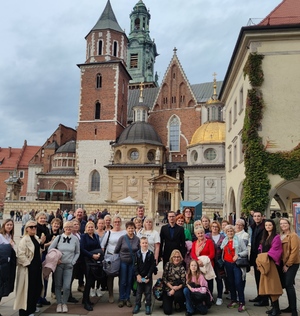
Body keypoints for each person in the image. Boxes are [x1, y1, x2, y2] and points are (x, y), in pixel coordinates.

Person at [14, 220, 45, 316]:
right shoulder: (24, 240)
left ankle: (32, 308)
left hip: (37, 267)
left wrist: (42, 243)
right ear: (27, 229)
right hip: (28, 269)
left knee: (37, 288)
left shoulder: (35, 237)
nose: (34, 228)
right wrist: (29, 265)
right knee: (27, 290)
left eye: (35, 227)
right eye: (31, 227)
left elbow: (38, 250)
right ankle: (25, 312)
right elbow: (20, 255)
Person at [49, 221, 80, 313]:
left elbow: (77, 252)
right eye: (66, 227)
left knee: (66, 286)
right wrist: (56, 259)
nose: (68, 228)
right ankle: (59, 303)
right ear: (64, 228)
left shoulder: (75, 239)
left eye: (70, 227)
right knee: (58, 285)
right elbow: (50, 249)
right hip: (59, 265)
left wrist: (73, 261)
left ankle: (64, 303)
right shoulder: (58, 238)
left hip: (69, 266)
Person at [257, 219, 283, 316]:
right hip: (264, 264)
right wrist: (260, 258)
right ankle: (273, 307)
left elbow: (275, 251)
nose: (268, 227)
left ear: (273, 226)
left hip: (271, 265)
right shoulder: (265, 236)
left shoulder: (276, 237)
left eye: (270, 225)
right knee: (267, 287)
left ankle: (277, 309)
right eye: (266, 225)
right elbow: (260, 248)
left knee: (272, 287)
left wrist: (263, 257)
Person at [220, 224, 248, 312]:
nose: (230, 232)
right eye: (228, 231)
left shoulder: (239, 240)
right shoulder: (224, 241)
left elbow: (246, 251)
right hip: (227, 264)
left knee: (238, 282)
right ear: (226, 232)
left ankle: (242, 302)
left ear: (234, 231)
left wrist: (238, 255)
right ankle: (234, 300)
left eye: (231, 231)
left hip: (236, 264)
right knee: (230, 282)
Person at [101, 215, 126, 303]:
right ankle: (110, 294)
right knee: (110, 276)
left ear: (121, 223)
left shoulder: (124, 232)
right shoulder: (108, 233)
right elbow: (103, 246)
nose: (117, 223)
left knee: (121, 277)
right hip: (110, 256)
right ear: (112, 223)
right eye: (115, 222)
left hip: (121, 256)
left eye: (118, 222)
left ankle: (121, 295)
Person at [115, 221, 140, 308]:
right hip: (123, 262)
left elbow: (139, 251)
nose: (131, 230)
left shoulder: (137, 239)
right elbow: (116, 250)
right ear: (126, 229)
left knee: (129, 280)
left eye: (132, 228)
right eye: (129, 228)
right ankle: (121, 298)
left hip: (132, 263)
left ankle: (127, 298)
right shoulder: (122, 238)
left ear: (134, 229)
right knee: (123, 281)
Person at [279, 217, 300, 316]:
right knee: (287, 285)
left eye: (285, 223)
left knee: (289, 285)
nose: (283, 225)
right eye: (281, 224)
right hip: (283, 263)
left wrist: (288, 264)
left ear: (289, 224)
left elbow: (294, 252)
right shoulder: (281, 235)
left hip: (292, 263)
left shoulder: (293, 235)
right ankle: (290, 306)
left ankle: (294, 310)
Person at [80, 221, 102, 311]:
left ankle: (86, 299)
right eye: (88, 227)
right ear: (86, 228)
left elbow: (99, 247)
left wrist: (98, 255)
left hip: (94, 261)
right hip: (86, 261)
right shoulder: (83, 236)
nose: (90, 229)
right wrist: (92, 255)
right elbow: (82, 249)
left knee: (92, 280)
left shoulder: (96, 236)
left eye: (92, 227)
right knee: (88, 281)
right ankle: (85, 302)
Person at [249, 211, 268, 306]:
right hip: (254, 255)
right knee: (257, 277)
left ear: (262, 217)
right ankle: (259, 295)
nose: (256, 218)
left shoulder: (264, 227)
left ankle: (264, 299)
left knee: (262, 278)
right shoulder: (253, 227)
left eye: (258, 216)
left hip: (261, 256)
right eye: (255, 216)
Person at [132, 237, 156, 315]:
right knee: (139, 292)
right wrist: (137, 275)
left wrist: (148, 276)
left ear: (148, 244)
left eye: (146, 243)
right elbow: (135, 265)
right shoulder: (137, 254)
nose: (144, 244)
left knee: (148, 292)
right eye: (143, 243)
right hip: (139, 276)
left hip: (147, 276)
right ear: (140, 244)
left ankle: (148, 305)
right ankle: (137, 305)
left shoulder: (150, 254)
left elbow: (152, 266)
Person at [206, 220, 226, 306]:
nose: (214, 228)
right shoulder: (206, 236)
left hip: (219, 261)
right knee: (209, 279)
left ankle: (219, 297)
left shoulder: (222, 237)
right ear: (210, 227)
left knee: (219, 279)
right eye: (213, 226)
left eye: (216, 227)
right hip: (209, 262)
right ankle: (210, 296)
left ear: (219, 228)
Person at [190, 226, 215, 294]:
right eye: (198, 233)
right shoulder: (194, 243)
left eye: (201, 233)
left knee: (209, 281)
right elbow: (193, 254)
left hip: (207, 265)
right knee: (200, 281)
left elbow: (212, 254)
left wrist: (203, 262)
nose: (200, 235)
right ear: (196, 235)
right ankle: (201, 296)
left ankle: (209, 296)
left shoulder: (209, 242)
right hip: (198, 265)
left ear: (204, 233)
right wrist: (198, 261)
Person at [162, 249, 186, 315]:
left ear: (180, 258)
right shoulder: (168, 264)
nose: (176, 258)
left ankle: (178, 303)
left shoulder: (182, 267)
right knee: (167, 311)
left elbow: (183, 282)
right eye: (174, 257)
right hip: (168, 287)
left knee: (178, 295)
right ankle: (167, 302)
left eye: (178, 257)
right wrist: (171, 287)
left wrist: (174, 289)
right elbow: (164, 278)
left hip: (178, 288)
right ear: (172, 257)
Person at [36, 211, 52, 307]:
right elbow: (38, 244)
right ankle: (37, 298)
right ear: (37, 219)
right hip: (39, 255)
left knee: (45, 276)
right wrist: (49, 243)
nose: (43, 220)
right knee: (39, 278)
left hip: (46, 254)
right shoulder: (35, 228)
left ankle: (43, 297)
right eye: (41, 218)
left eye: (44, 218)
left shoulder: (46, 229)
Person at [0, 219, 17, 308]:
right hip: (2, 265)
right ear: (4, 225)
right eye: (8, 225)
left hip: (8, 265)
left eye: (11, 225)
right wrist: (9, 246)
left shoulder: (10, 236)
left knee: (3, 288)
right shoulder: (0, 236)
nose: (10, 226)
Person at [91, 218, 106, 297]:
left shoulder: (106, 233)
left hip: (102, 255)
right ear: (97, 224)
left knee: (100, 272)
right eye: (99, 223)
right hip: (93, 255)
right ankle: (92, 288)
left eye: (102, 223)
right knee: (93, 273)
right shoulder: (93, 233)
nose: (101, 225)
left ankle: (98, 288)